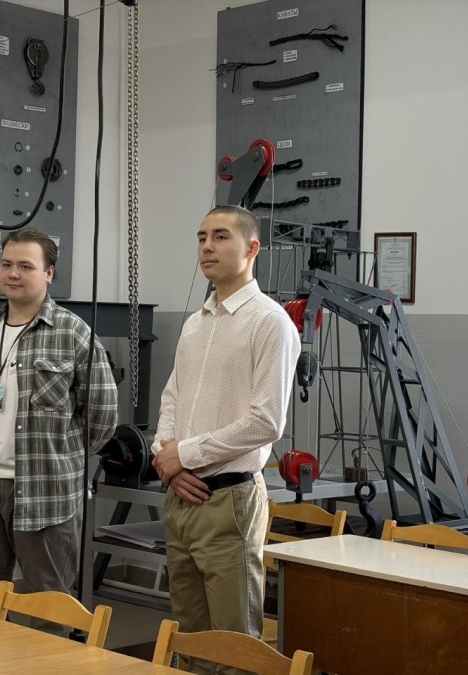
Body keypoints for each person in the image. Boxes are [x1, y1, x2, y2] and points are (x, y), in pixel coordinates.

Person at [152, 205, 300, 674]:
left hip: (229, 501)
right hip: (182, 496)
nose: (207, 247)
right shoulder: (196, 322)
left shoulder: (270, 322)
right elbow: (172, 396)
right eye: (201, 238)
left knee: (234, 646)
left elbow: (265, 422)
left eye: (220, 237)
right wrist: (167, 458)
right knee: (190, 638)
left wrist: (184, 454)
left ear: (252, 248)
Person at [0, 227, 117, 632]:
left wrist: (61, 462)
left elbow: (103, 418)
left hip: (45, 490)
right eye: (6, 264)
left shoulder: (73, 334)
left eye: (26, 266)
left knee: (49, 604)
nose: (13, 274)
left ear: (49, 274)